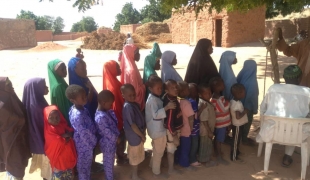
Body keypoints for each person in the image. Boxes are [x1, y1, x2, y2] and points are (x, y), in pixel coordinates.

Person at [260, 65, 310, 167]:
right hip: (296, 134)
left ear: (284, 77)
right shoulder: (307, 92)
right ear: (299, 78)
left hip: (272, 131)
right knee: (296, 125)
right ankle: (287, 157)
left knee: (285, 124)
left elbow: (262, 109)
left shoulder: (273, 88)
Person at [0, 77, 31, 180]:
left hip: (20, 138)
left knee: (21, 163)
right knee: (16, 167)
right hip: (11, 141)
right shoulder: (2, 107)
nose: (11, 87)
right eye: (8, 85)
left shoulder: (12, 98)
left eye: (11, 84)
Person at [145, 75, 176, 178]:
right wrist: (167, 107)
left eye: (161, 88)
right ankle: (156, 173)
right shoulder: (152, 100)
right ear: (150, 88)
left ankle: (152, 165)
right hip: (157, 131)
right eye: (157, 88)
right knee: (159, 152)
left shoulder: (155, 98)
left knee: (156, 149)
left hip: (156, 130)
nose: (160, 90)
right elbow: (156, 114)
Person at [22, 78, 51, 180]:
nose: (47, 88)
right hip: (43, 141)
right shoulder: (36, 107)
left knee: (46, 168)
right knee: (47, 168)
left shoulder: (37, 100)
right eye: (44, 86)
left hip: (39, 141)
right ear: (36, 89)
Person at [66, 85, 97, 180]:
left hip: (87, 143)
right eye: (82, 97)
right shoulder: (77, 115)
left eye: (85, 95)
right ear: (73, 100)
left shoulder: (83, 109)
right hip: (84, 145)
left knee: (87, 166)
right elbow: (84, 133)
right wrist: (93, 142)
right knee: (83, 167)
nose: (85, 98)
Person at [103, 60, 127, 165]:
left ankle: (120, 156)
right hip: (117, 117)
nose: (120, 69)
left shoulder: (110, 81)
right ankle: (120, 157)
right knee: (120, 138)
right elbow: (116, 105)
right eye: (117, 67)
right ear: (112, 70)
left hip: (114, 118)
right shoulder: (114, 85)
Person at [44, 105, 77, 180]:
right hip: (58, 160)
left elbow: (71, 131)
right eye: (51, 118)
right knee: (59, 176)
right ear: (46, 118)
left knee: (69, 176)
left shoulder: (62, 125)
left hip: (67, 157)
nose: (55, 120)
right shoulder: (49, 130)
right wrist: (64, 137)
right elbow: (55, 141)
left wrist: (68, 135)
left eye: (57, 117)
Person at [121, 84, 146, 180]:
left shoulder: (134, 104)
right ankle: (134, 176)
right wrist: (142, 136)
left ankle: (135, 173)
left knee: (137, 154)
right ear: (123, 96)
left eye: (133, 94)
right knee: (134, 157)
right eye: (129, 95)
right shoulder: (128, 107)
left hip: (138, 134)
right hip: (134, 136)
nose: (132, 97)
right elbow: (133, 125)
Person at [95, 90, 120, 180]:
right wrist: (116, 139)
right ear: (103, 103)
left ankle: (110, 176)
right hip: (107, 144)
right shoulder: (100, 117)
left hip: (111, 143)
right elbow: (107, 132)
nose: (111, 106)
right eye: (110, 104)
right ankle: (109, 178)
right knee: (108, 162)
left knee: (110, 161)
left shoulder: (106, 112)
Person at [162, 79, 183, 174]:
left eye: (176, 87)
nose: (176, 89)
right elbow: (169, 123)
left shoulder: (169, 98)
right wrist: (174, 136)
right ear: (166, 90)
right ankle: (171, 169)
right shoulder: (172, 104)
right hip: (172, 131)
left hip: (173, 130)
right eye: (172, 88)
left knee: (172, 148)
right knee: (171, 149)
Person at [237, 60, 259, 145]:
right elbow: (252, 97)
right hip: (248, 108)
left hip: (239, 105)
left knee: (240, 123)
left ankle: (239, 137)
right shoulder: (253, 81)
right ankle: (244, 138)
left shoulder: (241, 75)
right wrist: (254, 108)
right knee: (247, 122)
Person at [210, 77, 231, 165]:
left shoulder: (218, 97)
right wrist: (228, 102)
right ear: (217, 87)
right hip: (220, 124)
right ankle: (219, 156)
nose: (224, 86)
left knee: (218, 139)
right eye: (222, 84)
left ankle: (217, 152)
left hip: (221, 123)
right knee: (219, 140)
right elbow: (223, 109)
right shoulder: (217, 99)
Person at [175, 81, 195, 170]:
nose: (189, 91)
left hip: (179, 129)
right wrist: (191, 127)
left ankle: (177, 161)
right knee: (186, 148)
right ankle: (185, 164)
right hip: (186, 130)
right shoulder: (187, 103)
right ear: (183, 92)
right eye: (187, 89)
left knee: (179, 147)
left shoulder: (177, 101)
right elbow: (191, 117)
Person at [120, 44, 146, 110]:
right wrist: (145, 85)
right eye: (137, 53)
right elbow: (136, 91)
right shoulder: (132, 70)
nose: (139, 55)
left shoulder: (128, 66)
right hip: (135, 103)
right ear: (131, 53)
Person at [197, 83, 217, 167]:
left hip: (208, 129)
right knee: (205, 145)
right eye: (206, 93)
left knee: (207, 145)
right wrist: (209, 131)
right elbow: (204, 120)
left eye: (209, 93)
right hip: (205, 130)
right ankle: (204, 161)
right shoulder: (204, 105)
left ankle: (206, 159)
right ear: (200, 94)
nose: (209, 95)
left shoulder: (206, 102)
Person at [47, 59, 72, 125]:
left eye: (65, 68)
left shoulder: (60, 82)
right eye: (62, 69)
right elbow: (62, 107)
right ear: (54, 71)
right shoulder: (58, 86)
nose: (65, 71)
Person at [230, 84, 248, 164]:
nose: (245, 93)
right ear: (239, 94)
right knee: (236, 140)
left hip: (238, 124)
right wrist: (245, 112)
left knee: (237, 139)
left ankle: (236, 152)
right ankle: (234, 156)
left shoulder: (233, 101)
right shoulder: (236, 104)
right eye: (244, 92)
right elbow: (238, 116)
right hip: (237, 124)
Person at [188, 83, 202, 167]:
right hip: (194, 127)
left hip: (189, 127)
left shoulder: (187, 100)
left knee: (191, 144)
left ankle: (191, 157)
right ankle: (193, 160)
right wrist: (202, 108)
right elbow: (196, 116)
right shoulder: (193, 102)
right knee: (194, 144)